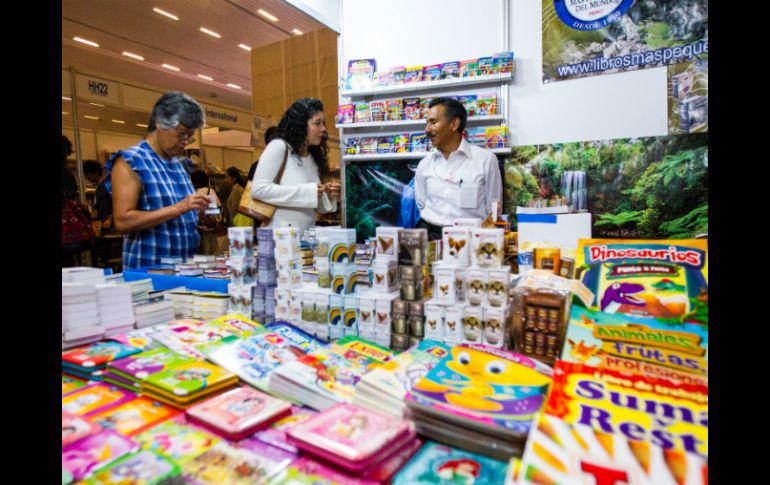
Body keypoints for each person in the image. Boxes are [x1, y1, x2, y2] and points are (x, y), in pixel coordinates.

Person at [106, 91, 211, 269]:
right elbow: (123, 221)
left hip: (185, 269)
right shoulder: (131, 161)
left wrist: (201, 211)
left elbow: (184, 214)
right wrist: (181, 207)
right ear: (160, 123)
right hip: (149, 271)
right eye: (182, 134)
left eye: (190, 136)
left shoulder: (179, 165)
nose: (186, 141)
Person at [414, 97, 503, 240]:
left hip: (471, 238)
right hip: (431, 237)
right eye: (427, 123)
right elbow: (422, 204)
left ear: (454, 124)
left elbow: (493, 208)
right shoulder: (425, 164)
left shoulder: (485, 160)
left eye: (433, 122)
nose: (427, 129)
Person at [249, 100, 339, 233]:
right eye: (317, 123)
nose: (323, 128)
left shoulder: (313, 157)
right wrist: (308, 192)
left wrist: (327, 197)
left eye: (323, 123)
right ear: (301, 125)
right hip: (279, 240)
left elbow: (314, 207)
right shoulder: (279, 147)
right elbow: (258, 189)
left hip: (306, 241)